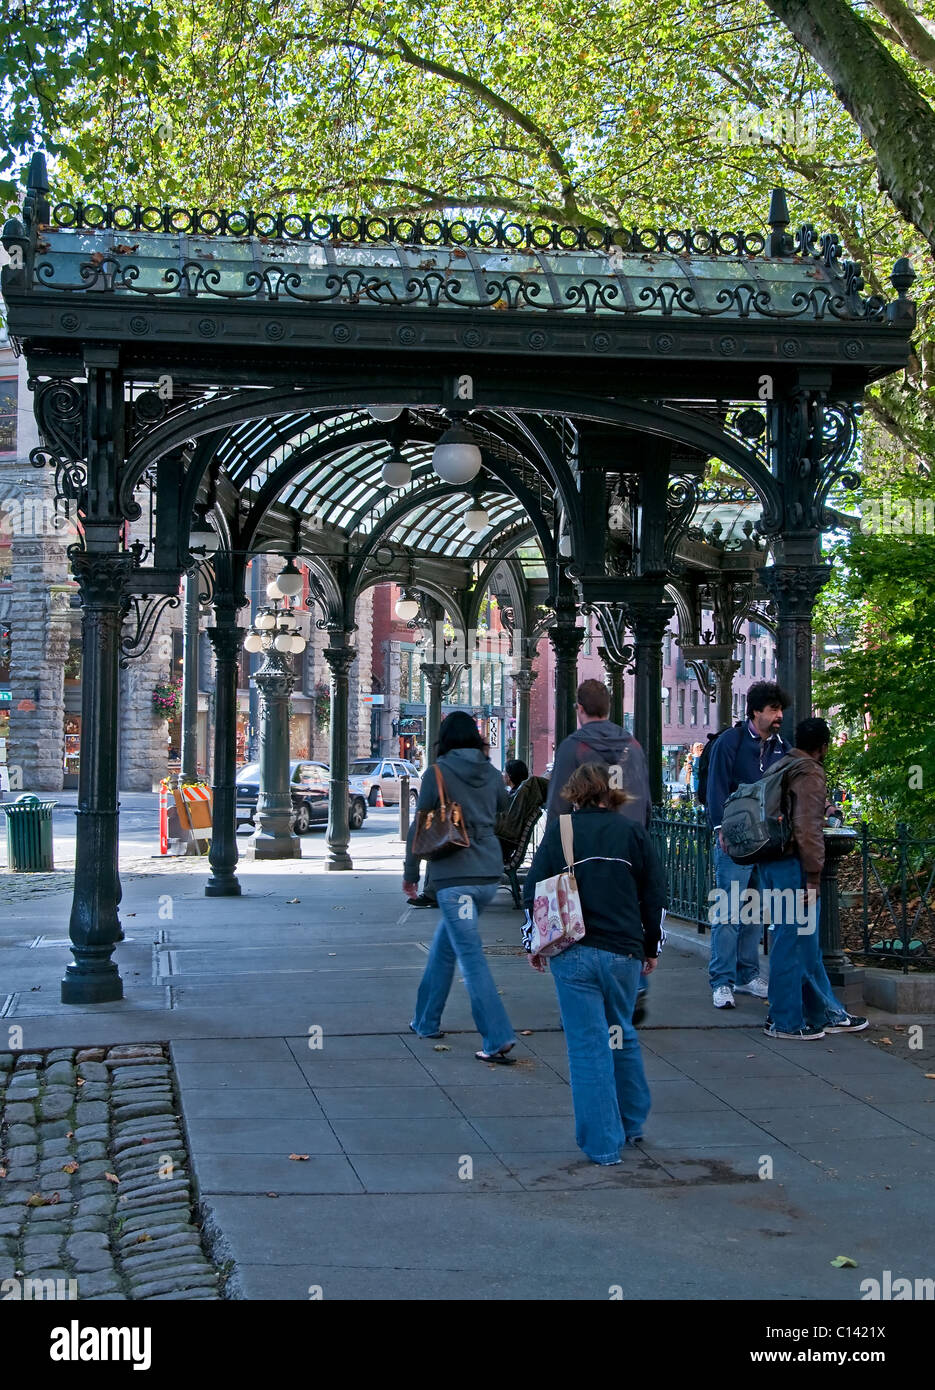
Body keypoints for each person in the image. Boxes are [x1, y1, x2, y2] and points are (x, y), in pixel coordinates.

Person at [523, 762, 666, 1165]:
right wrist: (650, 947)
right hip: (623, 952)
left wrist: (533, 944)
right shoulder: (632, 833)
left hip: (573, 951)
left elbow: (534, 891)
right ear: (611, 794)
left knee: (588, 1046)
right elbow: (654, 896)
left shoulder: (562, 833)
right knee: (621, 1032)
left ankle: (603, 1146)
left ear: (575, 794)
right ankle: (632, 1122)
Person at [409, 711, 517, 1061]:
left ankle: (497, 1037)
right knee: (446, 946)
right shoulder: (490, 771)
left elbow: (419, 825)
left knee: (471, 958)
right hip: (487, 876)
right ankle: (425, 1020)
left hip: (455, 880)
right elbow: (503, 807)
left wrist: (410, 874)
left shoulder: (437, 772)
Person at [759, 717, 868, 1040]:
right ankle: (784, 1020)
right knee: (792, 944)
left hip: (771, 861)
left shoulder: (782, 764)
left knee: (799, 943)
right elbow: (807, 829)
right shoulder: (809, 772)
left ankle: (822, 1012)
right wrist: (813, 877)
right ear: (824, 746)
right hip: (793, 866)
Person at [705, 681, 791, 1010]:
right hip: (734, 840)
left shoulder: (782, 746)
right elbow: (716, 787)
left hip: (767, 842)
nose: (779, 715)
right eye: (773, 710)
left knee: (753, 912)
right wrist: (720, 830)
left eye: (780, 709)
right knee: (728, 913)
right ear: (756, 712)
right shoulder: (732, 741)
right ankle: (722, 981)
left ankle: (747, 974)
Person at [546, 679, 651, 829]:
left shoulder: (573, 747)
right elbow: (646, 803)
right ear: (608, 708)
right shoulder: (633, 746)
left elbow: (558, 806)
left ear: (580, 709)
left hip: (588, 845)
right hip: (628, 843)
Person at [495, 760, 549, 863]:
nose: (502, 774)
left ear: (509, 775)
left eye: (504, 771)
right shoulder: (517, 796)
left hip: (502, 843)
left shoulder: (517, 798)